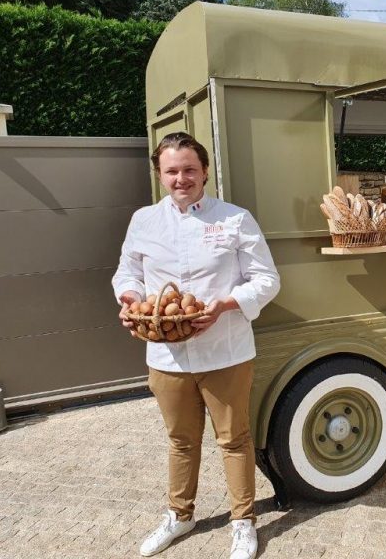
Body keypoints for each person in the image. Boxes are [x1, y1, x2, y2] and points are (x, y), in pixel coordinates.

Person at [112, 132, 280, 559]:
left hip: (225, 350)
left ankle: (243, 522)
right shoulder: (144, 221)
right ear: (160, 175)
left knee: (234, 439)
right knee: (181, 440)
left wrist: (226, 304)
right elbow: (127, 273)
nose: (181, 178)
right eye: (172, 171)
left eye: (189, 169)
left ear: (205, 171)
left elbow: (266, 279)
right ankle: (179, 515)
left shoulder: (235, 219)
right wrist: (130, 298)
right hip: (166, 354)